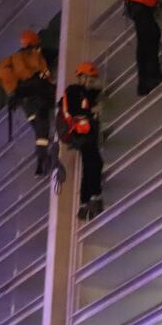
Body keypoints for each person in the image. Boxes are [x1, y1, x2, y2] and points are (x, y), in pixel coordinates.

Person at [0, 29, 56, 175]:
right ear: (36, 42)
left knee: (38, 128)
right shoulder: (37, 56)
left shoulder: (12, 62)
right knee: (42, 127)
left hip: (24, 101)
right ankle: (41, 162)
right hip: (39, 96)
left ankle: (42, 160)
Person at [59, 62, 104, 220]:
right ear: (82, 77)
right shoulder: (74, 91)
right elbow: (73, 111)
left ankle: (86, 202)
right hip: (80, 134)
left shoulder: (84, 93)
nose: (91, 83)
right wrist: (92, 110)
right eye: (90, 80)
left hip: (83, 135)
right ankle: (93, 197)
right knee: (95, 162)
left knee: (90, 164)